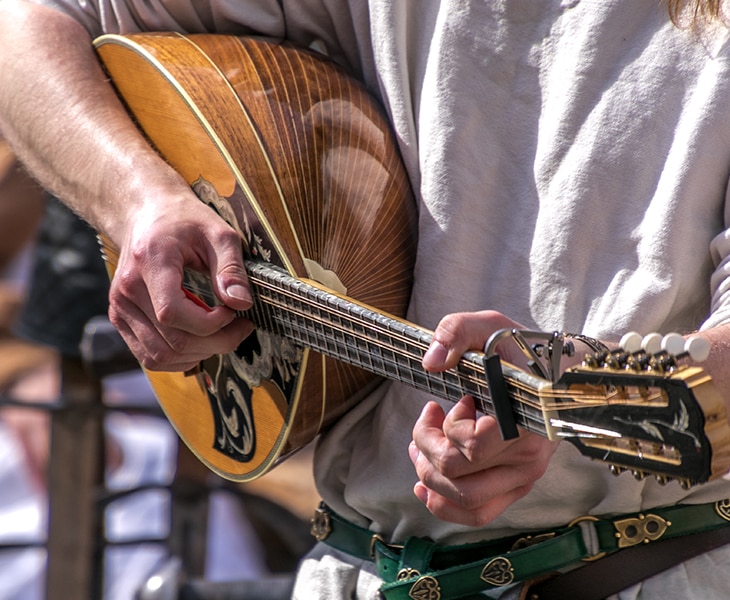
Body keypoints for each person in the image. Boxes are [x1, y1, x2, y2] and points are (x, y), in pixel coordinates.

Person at [2, 1, 730, 598]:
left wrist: (559, 379)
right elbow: (26, 30)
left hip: (656, 573)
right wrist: (142, 204)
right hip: (358, 568)